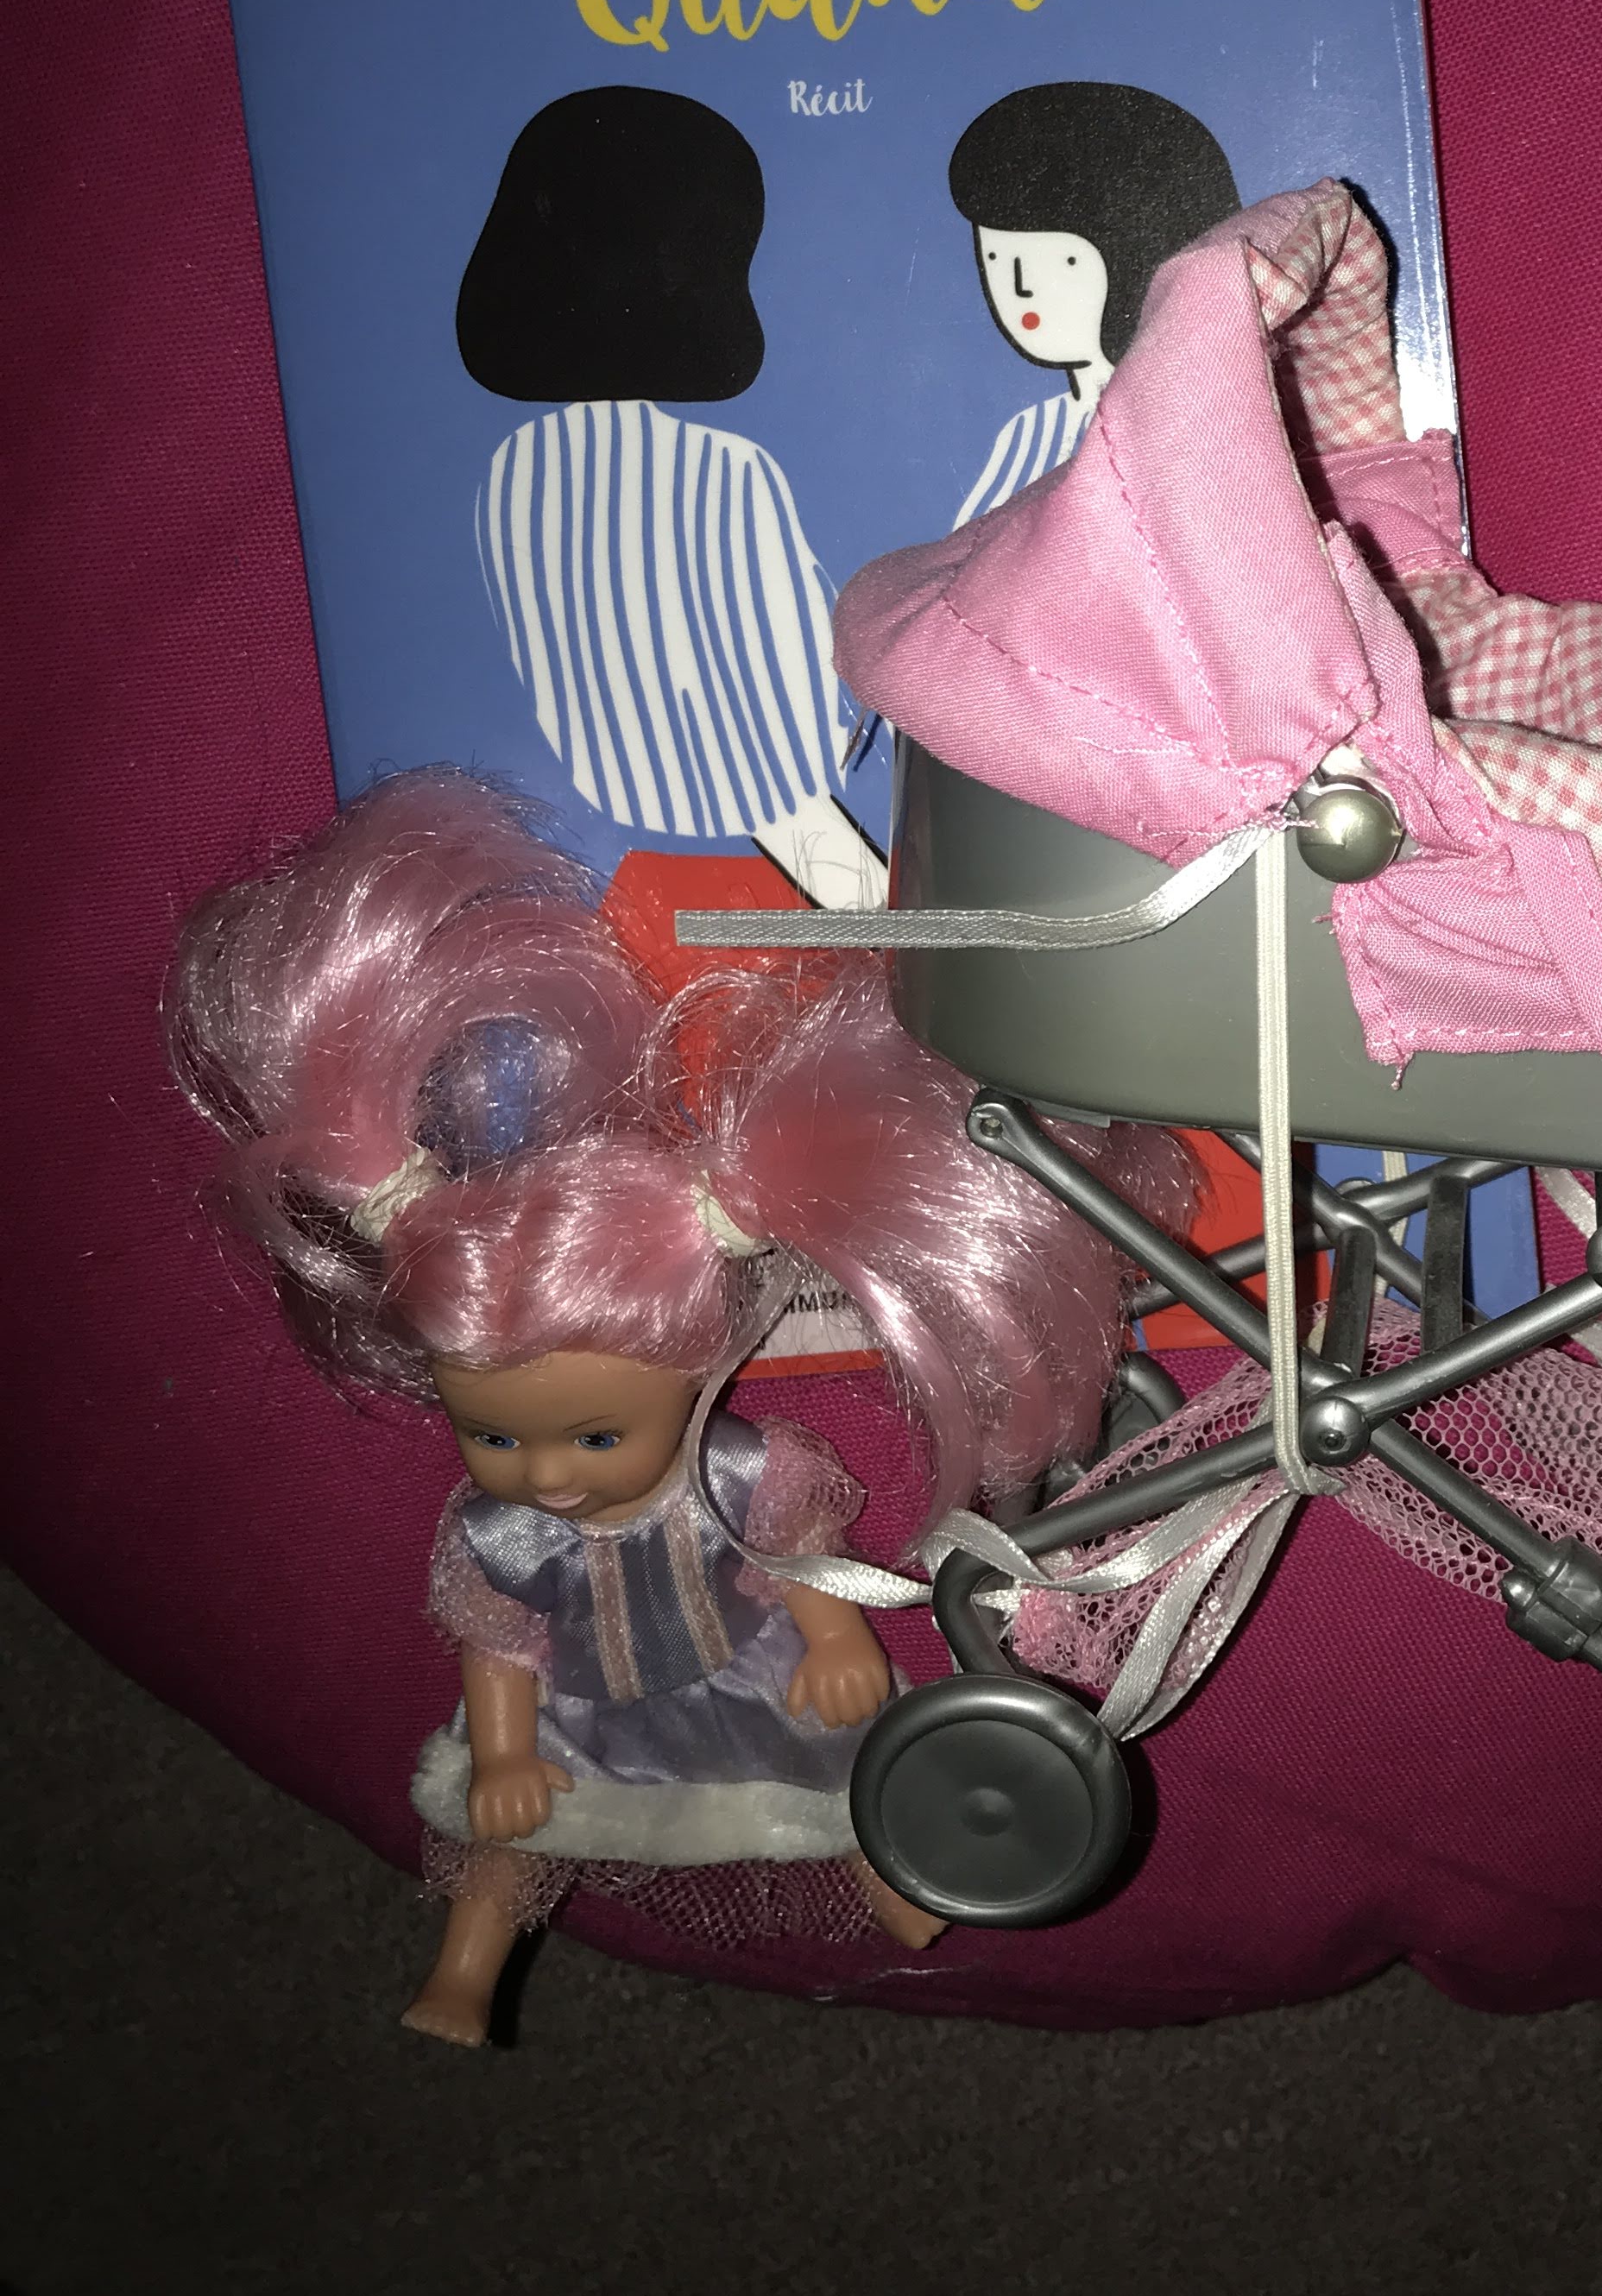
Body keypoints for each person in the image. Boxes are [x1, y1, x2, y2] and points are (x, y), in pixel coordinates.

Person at [166, 768, 1194, 2042]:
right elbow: (501, 1652)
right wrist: (504, 1749)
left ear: (697, 1373)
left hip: (752, 1679)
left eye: (596, 1435)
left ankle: (909, 1891)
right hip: (587, 1719)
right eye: (494, 1436)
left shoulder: (741, 1476)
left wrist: (834, 1642)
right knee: (509, 1838)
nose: (548, 1474)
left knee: (847, 1786)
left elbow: (797, 1566)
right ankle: (467, 1971)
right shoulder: (501, 1538)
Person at [457, 85, 882, 907]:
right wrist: (881, 908)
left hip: (620, 878)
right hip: (780, 875)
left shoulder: (513, 475)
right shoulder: (721, 473)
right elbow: (771, 738)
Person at [945, 80, 1238, 526]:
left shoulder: (1201, 420)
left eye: (1063, 260)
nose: (1020, 287)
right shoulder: (1030, 434)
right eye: (997, 259)